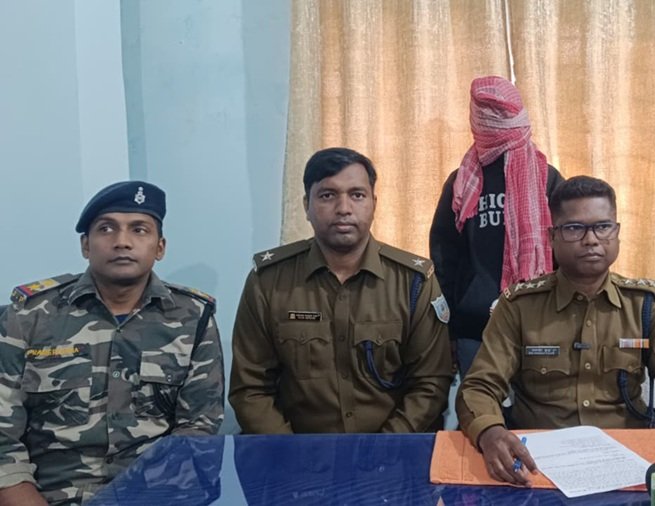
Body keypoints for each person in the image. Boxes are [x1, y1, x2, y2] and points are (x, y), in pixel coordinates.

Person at [456, 176, 655, 486]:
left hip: (628, 460)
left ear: (617, 232)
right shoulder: (519, 307)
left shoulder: (645, 306)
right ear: (552, 237)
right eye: (574, 228)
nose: (591, 240)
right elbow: (479, 387)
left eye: (603, 226)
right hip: (538, 466)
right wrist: (490, 432)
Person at [0, 181, 224, 505]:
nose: (122, 242)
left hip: (158, 496)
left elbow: (198, 430)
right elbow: (3, 438)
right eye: (106, 229)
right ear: (85, 245)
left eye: (139, 230)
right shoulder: (28, 317)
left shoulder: (193, 318)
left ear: (160, 247)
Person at [229, 147, 453, 434]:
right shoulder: (269, 282)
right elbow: (250, 389)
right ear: (306, 205)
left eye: (357, 195)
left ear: (374, 203)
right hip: (294, 451)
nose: (344, 208)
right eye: (327, 195)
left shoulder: (413, 282)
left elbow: (430, 383)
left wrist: (384, 448)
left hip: (393, 449)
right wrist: (289, 451)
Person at [430, 75, 564, 378]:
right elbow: (444, 260)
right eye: (488, 112)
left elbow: (567, 254)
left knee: (539, 408)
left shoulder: (547, 178)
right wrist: (448, 330)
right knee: (480, 406)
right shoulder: (462, 182)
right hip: (474, 330)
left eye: (502, 112)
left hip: (540, 327)